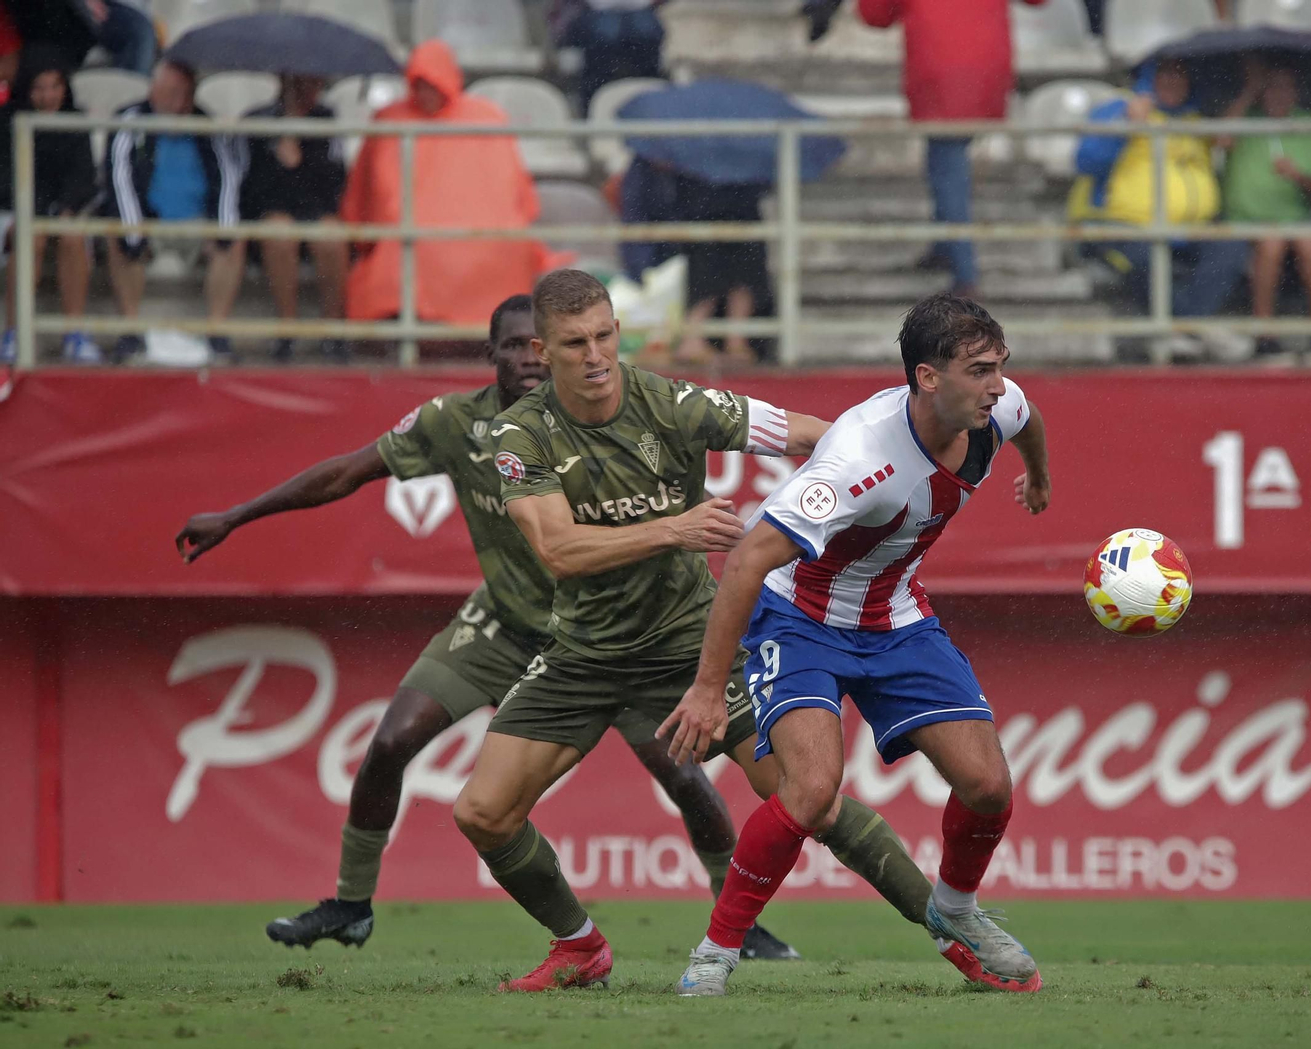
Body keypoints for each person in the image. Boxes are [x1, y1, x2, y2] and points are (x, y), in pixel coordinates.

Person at [173, 294, 798, 962]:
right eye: (513, 345)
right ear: (490, 353)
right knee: (391, 741)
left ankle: (741, 921)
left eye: (540, 344)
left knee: (682, 777)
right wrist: (237, 515)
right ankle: (351, 904)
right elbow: (349, 472)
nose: (529, 356)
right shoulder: (453, 423)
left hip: (607, 635)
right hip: (505, 621)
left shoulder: (599, 417)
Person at [462, 269, 941, 993]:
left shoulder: (673, 402)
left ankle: (955, 930)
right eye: (573, 343)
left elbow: (813, 435)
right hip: (583, 654)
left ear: (617, 331)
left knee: (811, 799)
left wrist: (888, 473)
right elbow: (557, 548)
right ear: (543, 348)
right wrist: (676, 528)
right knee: (483, 812)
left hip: (692, 645)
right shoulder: (518, 432)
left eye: (603, 336)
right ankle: (579, 945)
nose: (594, 355)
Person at [666, 293, 1052, 998]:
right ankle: (716, 952)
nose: (998, 385)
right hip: (800, 619)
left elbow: (1029, 422)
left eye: (1001, 367)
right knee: (809, 791)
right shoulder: (856, 459)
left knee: (989, 785)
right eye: (980, 370)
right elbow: (750, 557)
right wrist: (704, 687)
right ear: (928, 378)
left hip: (896, 616)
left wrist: (1040, 476)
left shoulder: (997, 407)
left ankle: (956, 910)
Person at [341, 40, 560, 332]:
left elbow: (510, 189)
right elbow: (374, 191)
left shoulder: (486, 118)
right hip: (409, 228)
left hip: (481, 228)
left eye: (432, 84)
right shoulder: (390, 119)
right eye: (418, 84)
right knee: (400, 248)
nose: (425, 93)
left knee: (505, 246)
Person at [858, 0, 1046, 298]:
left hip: (938, 68)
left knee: (947, 170)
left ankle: (965, 273)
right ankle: (944, 246)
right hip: (987, 65)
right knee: (943, 162)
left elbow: (875, 15)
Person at [1071, 57, 1252, 362]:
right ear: (1149, 77)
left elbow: (1224, 141)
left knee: (1231, 246)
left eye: (1181, 75)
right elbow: (1085, 161)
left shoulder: (1195, 122)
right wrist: (1127, 125)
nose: (1173, 82)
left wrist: (1250, 90)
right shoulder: (1121, 109)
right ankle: (1197, 326)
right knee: (1147, 257)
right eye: (1166, 74)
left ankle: (1182, 326)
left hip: (1189, 231)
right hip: (1123, 226)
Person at [100, 60, 247, 363]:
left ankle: (217, 332)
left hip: (197, 224)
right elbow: (119, 178)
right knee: (116, 235)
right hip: (149, 222)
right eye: (174, 93)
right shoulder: (130, 120)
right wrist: (134, 233)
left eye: (187, 94)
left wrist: (222, 231)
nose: (181, 102)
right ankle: (130, 331)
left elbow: (227, 178)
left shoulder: (207, 124)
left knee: (236, 240)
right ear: (155, 91)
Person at [1220, 63, 1311, 361]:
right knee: (1272, 242)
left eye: (1285, 87)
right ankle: (1265, 337)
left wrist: (1300, 177)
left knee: (1310, 243)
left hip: (1296, 218)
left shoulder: (1307, 124)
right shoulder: (1243, 119)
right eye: (1270, 86)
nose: (1278, 94)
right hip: (1246, 219)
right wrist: (1249, 91)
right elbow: (1220, 141)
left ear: (1296, 92)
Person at [0, 45, 99, 363]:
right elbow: (5, 177)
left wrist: (66, 207)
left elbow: (84, 176)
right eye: (40, 88)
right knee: (32, 238)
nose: (48, 96)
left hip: (61, 211)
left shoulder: (75, 121)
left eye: (55, 86)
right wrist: (33, 210)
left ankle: (74, 333)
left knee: (72, 237)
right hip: (14, 209)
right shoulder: (6, 121)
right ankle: (14, 333)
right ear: (27, 90)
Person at [619, 155, 769, 364]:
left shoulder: (690, 158)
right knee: (718, 255)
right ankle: (709, 340)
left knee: (733, 253)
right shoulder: (653, 166)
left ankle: (721, 341)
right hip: (679, 235)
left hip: (703, 217)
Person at [240, 74, 348, 363]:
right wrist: (279, 157)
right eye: (302, 84)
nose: (311, 90)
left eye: (315, 83)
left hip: (315, 211)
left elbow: (334, 184)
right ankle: (287, 328)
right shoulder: (257, 122)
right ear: (287, 86)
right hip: (273, 212)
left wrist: (302, 161)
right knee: (279, 233)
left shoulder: (327, 121)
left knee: (332, 236)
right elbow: (250, 188)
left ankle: (333, 329)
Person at [551, 0, 668, 117]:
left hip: (640, 14)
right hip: (593, 14)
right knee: (606, 31)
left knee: (645, 28)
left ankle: (652, 102)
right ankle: (592, 108)